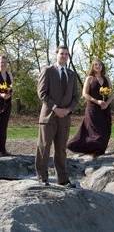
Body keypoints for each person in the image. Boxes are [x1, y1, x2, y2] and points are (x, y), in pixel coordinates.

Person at [36, 46, 79, 187]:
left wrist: (67, 110)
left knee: (61, 149)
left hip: (65, 118)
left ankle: (63, 180)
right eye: (62, 53)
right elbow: (42, 93)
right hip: (48, 116)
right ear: (56, 54)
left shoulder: (72, 74)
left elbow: (75, 97)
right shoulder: (48, 71)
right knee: (44, 147)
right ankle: (43, 178)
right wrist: (55, 108)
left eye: (66, 54)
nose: (64, 56)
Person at [67, 58, 113, 158]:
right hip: (93, 109)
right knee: (94, 131)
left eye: (100, 65)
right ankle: (92, 150)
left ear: (102, 66)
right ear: (92, 66)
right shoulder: (89, 78)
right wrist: (97, 101)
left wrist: (106, 103)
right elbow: (84, 94)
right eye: (96, 65)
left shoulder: (106, 78)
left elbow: (111, 94)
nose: (98, 66)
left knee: (105, 130)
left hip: (104, 109)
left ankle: (100, 150)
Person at [0, 55, 14, 157]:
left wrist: (9, 93)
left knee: (4, 127)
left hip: (7, 104)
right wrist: (2, 94)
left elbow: (11, 87)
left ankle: (3, 150)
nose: (3, 64)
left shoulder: (9, 74)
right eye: (1, 62)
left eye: (4, 62)